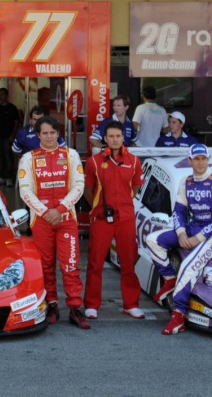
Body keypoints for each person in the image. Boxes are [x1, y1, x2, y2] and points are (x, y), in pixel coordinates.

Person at [145, 143, 212, 335]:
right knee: (152, 240)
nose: (200, 162)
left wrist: (198, 238)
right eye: (196, 159)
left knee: (187, 267)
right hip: (192, 228)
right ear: (190, 160)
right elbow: (179, 211)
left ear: (208, 159)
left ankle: (179, 315)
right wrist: (181, 233)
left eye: (203, 158)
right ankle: (169, 280)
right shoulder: (186, 182)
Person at [17, 116, 89, 329]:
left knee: (70, 265)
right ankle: (51, 305)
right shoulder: (28, 158)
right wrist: (46, 212)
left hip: (66, 219)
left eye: (52, 133)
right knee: (45, 266)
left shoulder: (71, 155)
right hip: (41, 220)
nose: (49, 137)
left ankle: (75, 308)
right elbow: (25, 190)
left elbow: (79, 186)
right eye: (45, 133)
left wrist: (59, 210)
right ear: (38, 135)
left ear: (58, 133)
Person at [83, 122, 145, 320]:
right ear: (105, 138)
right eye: (111, 136)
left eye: (118, 136)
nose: (115, 139)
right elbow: (88, 190)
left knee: (128, 262)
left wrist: (123, 204)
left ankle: (131, 304)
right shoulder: (93, 161)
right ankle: (91, 305)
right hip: (101, 217)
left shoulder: (134, 160)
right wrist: (97, 207)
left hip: (125, 217)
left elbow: (135, 189)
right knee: (95, 262)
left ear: (123, 137)